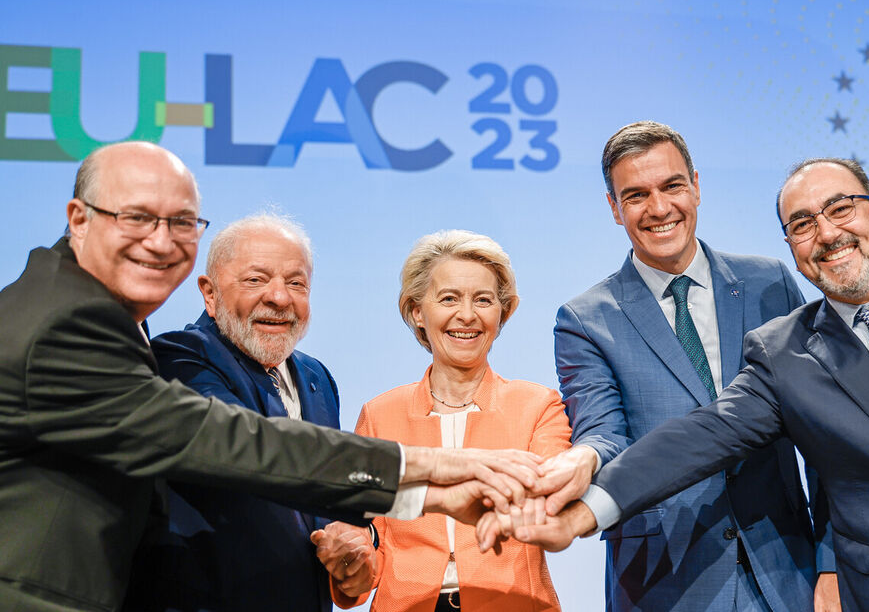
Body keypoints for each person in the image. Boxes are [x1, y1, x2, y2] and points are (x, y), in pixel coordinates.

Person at [514, 157, 869, 612]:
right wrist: (586, 510)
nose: (826, 232)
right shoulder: (785, 355)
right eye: (801, 224)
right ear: (793, 251)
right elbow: (696, 438)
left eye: (841, 208)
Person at [0, 141, 540, 612]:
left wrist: (356, 546)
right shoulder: (76, 324)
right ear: (78, 218)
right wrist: (439, 478)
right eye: (137, 217)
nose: (161, 241)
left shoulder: (312, 378)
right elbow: (233, 446)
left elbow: (314, 502)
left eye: (182, 222)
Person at [538, 121, 824, 612]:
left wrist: (833, 562)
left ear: (696, 186)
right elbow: (604, 433)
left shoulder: (771, 283)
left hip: (787, 569)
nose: (659, 208)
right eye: (636, 195)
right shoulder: (585, 319)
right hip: (663, 582)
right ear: (614, 208)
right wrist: (584, 459)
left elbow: (822, 431)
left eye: (672, 186)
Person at [312, 230, 571, 611]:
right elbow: (369, 547)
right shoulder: (379, 414)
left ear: (502, 314)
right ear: (418, 311)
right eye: (449, 298)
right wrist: (352, 562)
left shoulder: (538, 406)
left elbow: (550, 510)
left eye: (483, 300)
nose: (466, 315)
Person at [125, 214, 359, 611]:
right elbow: (258, 452)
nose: (279, 297)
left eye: (296, 283)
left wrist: (356, 545)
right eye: (256, 280)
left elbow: (333, 504)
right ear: (209, 293)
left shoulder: (318, 378)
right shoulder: (180, 359)